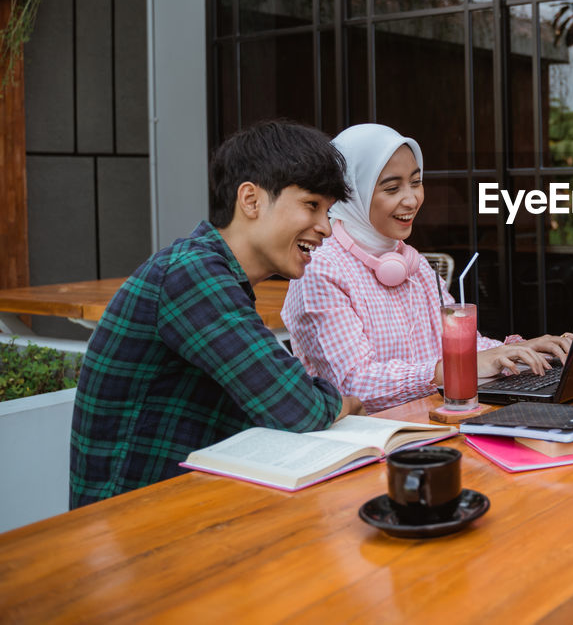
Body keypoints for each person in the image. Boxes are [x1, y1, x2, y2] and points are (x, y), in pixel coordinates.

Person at [70, 121, 364, 507]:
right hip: (128, 528)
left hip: (179, 511)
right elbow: (297, 406)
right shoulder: (190, 274)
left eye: (328, 211)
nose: (325, 228)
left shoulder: (211, 272)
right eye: (312, 205)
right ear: (251, 200)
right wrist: (341, 402)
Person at [281, 123, 571, 413]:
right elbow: (353, 385)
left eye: (416, 182)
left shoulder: (412, 262)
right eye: (392, 188)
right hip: (371, 441)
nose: (412, 199)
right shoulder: (320, 269)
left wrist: (521, 352)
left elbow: (464, 347)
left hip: (433, 422)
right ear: (350, 192)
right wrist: (448, 370)